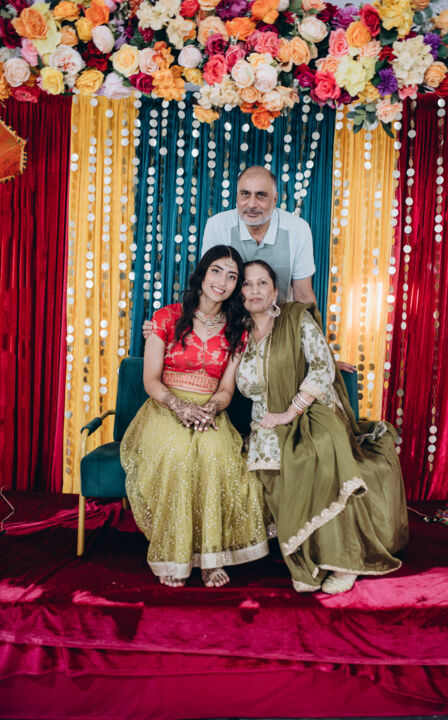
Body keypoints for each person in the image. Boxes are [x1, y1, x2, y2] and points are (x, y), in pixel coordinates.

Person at [236, 260, 409, 594]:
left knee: (318, 453)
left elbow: (322, 366)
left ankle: (344, 560)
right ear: (239, 292)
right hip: (266, 422)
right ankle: (309, 557)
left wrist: (290, 412)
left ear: (275, 290)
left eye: (262, 283)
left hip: (312, 409)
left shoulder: (295, 318)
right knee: (271, 464)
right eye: (246, 283)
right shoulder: (238, 334)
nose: (254, 290)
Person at [120, 246, 269, 588]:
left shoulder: (238, 330)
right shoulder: (166, 318)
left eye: (231, 276)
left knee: (217, 455)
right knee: (177, 454)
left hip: (209, 409)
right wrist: (180, 407)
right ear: (202, 274)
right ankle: (175, 555)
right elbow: (150, 380)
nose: (222, 281)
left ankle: (209, 559)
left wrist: (209, 409)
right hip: (164, 407)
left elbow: (227, 389)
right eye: (216, 271)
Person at [202, 165, 316, 304]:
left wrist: (309, 320)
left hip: (280, 315)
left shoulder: (298, 229)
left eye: (261, 195)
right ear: (237, 197)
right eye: (245, 194)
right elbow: (207, 287)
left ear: (275, 199)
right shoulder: (217, 226)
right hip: (229, 315)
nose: (251, 204)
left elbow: (303, 295)